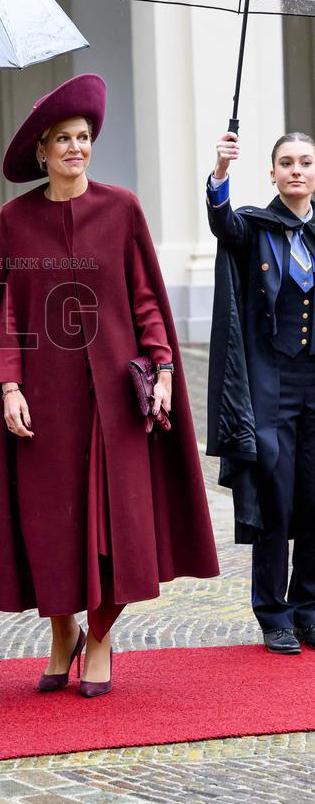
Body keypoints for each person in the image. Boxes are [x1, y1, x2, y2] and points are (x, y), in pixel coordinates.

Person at [0, 74, 219, 697]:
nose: (75, 149)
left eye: (83, 138)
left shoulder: (121, 208)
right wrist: (10, 387)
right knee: (51, 524)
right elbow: (5, 312)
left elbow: (145, 297)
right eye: (62, 139)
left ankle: (103, 636)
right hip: (45, 401)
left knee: (121, 526)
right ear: (42, 150)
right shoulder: (15, 219)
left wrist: (164, 367)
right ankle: (63, 633)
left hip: (116, 397)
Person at [206, 129, 315, 655]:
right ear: (272, 173)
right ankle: (273, 614)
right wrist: (221, 174)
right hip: (270, 384)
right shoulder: (255, 227)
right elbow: (221, 222)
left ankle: (309, 609)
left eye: (305, 162)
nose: (296, 170)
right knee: (275, 496)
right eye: (286, 163)